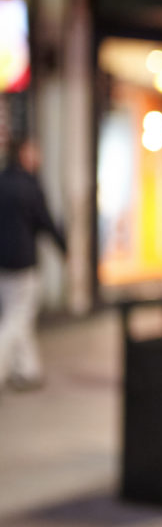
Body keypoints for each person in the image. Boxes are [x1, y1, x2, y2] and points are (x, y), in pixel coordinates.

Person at [0, 137, 66, 392]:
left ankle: (28, 370)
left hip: (3, 263)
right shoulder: (29, 185)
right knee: (17, 319)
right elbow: (46, 221)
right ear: (24, 154)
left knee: (17, 315)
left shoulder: (2, 182)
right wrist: (65, 248)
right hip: (23, 262)